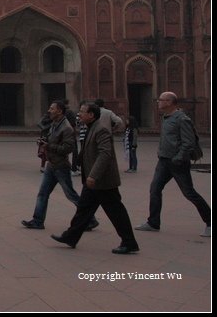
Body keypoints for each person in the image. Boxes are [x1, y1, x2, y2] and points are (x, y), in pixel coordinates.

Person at [50, 102, 139, 254]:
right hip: (94, 181)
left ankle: (129, 242)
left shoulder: (101, 129)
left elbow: (105, 154)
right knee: (84, 210)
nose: (79, 114)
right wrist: (79, 162)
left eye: (83, 112)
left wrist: (93, 175)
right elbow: (88, 151)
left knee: (116, 212)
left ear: (91, 115)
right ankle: (70, 236)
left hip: (102, 181)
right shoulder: (90, 128)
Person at [135, 92, 211, 237]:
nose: (158, 102)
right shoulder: (166, 117)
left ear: (169, 102)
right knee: (155, 189)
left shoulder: (182, 119)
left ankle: (210, 221)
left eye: (161, 100)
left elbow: (188, 142)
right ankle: (153, 222)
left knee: (189, 193)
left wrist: (178, 158)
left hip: (178, 163)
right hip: (164, 161)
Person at [22, 101, 98, 231]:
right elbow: (53, 139)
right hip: (52, 165)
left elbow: (68, 148)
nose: (49, 111)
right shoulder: (55, 124)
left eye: (52, 108)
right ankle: (38, 221)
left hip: (61, 166)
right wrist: (44, 142)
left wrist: (49, 146)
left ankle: (90, 219)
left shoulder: (66, 128)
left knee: (71, 195)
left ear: (60, 111)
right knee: (43, 194)